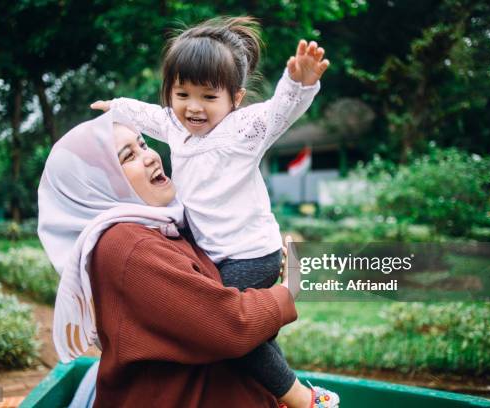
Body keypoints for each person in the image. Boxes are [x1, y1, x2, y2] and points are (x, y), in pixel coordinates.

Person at [90, 16, 337, 407]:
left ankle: (308, 399)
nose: (193, 108)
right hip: (213, 252)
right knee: (246, 335)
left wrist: (299, 83)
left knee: (226, 330)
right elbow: (144, 114)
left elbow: (280, 112)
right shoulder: (173, 124)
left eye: (208, 96)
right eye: (182, 93)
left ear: (235, 98)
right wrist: (115, 107)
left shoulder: (243, 130)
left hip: (250, 252)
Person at [38, 114, 338, 407]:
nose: (151, 157)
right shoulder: (127, 244)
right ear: (100, 184)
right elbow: (227, 326)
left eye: (143, 144)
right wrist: (289, 289)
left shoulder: (162, 228)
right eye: (127, 156)